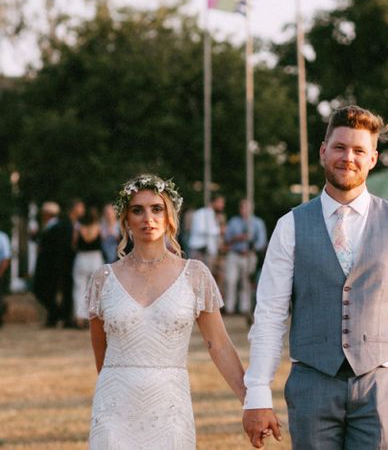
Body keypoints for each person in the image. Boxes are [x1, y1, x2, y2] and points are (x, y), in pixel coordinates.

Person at [243, 105, 388, 449]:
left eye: (359, 150)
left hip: (379, 386)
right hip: (311, 383)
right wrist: (257, 394)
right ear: (323, 151)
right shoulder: (290, 225)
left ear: (373, 158)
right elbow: (270, 316)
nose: (348, 158)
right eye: (339, 148)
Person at [84, 174, 245, 448]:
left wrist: (251, 401)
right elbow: (101, 352)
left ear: (169, 216)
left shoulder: (195, 274)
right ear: (126, 219)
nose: (148, 217)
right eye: (138, 210)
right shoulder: (103, 279)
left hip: (169, 407)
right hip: (114, 406)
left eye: (156, 208)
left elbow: (218, 343)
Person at [36, 198, 84, 327]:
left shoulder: (62, 225)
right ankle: (61, 315)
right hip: (62, 263)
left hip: (63, 263)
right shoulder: (63, 224)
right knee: (61, 290)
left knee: (64, 290)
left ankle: (61, 316)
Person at [224, 199, 268, 316]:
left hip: (249, 255)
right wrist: (237, 238)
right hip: (234, 254)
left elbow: (262, 241)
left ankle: (244, 308)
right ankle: (229, 308)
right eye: (243, 208)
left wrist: (252, 247)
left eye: (247, 208)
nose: (244, 210)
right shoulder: (233, 222)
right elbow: (226, 239)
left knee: (246, 282)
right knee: (230, 280)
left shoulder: (258, 223)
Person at [72, 208, 105, 327]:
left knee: (79, 288)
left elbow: (74, 243)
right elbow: (103, 240)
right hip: (95, 257)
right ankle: (94, 316)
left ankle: (79, 317)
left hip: (81, 257)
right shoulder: (98, 227)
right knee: (96, 289)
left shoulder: (79, 227)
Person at [188, 194, 225, 273]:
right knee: (196, 275)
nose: (222, 205)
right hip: (199, 250)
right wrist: (219, 230)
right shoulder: (201, 213)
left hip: (209, 251)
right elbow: (200, 229)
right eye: (220, 202)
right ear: (213, 202)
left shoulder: (216, 215)